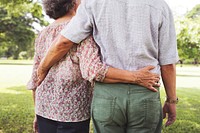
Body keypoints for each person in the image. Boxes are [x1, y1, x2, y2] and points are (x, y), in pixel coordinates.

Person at [37, 0, 179, 132]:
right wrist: (171, 100)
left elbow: (64, 42)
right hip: (145, 95)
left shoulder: (93, 3)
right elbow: (168, 64)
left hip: (107, 96)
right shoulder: (160, 6)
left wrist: (42, 68)